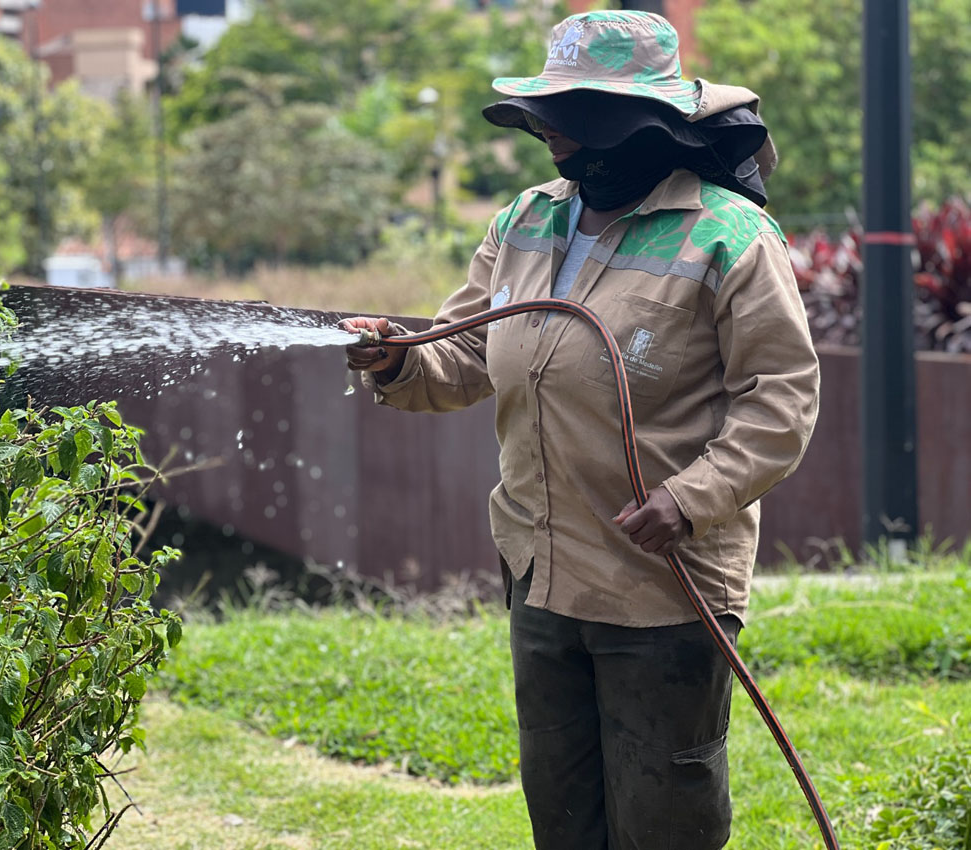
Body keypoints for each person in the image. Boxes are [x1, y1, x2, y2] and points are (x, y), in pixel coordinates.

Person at [343, 10, 819, 850]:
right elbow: (462, 357)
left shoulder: (728, 236)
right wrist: (397, 364)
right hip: (540, 566)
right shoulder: (524, 222)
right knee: (561, 810)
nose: (555, 137)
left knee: (663, 812)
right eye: (549, 117)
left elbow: (780, 397)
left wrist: (690, 498)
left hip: (662, 581)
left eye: (577, 116)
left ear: (642, 121)